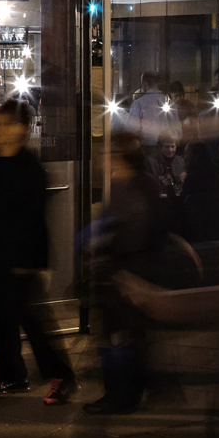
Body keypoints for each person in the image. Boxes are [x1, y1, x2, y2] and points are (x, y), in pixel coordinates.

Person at [0, 98, 77, 406]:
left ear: (21, 129)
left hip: (17, 258)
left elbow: (33, 218)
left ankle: (62, 376)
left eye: (4, 124)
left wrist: (28, 261)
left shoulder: (30, 169)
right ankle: (12, 375)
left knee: (29, 319)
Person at [85, 132, 164, 414]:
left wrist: (107, 249)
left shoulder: (132, 187)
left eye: (108, 155)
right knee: (129, 335)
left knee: (117, 336)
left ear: (120, 158)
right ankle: (139, 388)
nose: (103, 160)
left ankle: (120, 395)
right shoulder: (133, 184)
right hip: (129, 271)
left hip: (126, 273)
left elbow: (133, 232)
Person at [128, 72, 178, 150]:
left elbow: (132, 129)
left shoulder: (138, 103)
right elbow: (177, 129)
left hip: (147, 148)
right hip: (168, 148)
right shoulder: (170, 102)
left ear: (144, 83)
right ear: (159, 83)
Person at [149, 132, 185, 199]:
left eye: (172, 147)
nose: (170, 150)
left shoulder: (180, 161)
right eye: (166, 147)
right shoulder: (151, 161)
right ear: (160, 147)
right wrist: (159, 180)